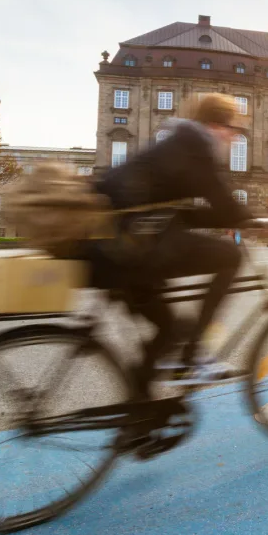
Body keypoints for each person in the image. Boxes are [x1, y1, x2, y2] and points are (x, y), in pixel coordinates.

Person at [89, 93, 255, 395]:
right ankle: (193, 355)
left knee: (168, 331)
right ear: (216, 125)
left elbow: (183, 214)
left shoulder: (180, 143)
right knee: (230, 256)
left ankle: (138, 419)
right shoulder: (195, 146)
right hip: (131, 247)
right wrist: (249, 218)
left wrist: (233, 218)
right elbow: (222, 203)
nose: (234, 136)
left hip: (118, 246)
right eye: (233, 128)